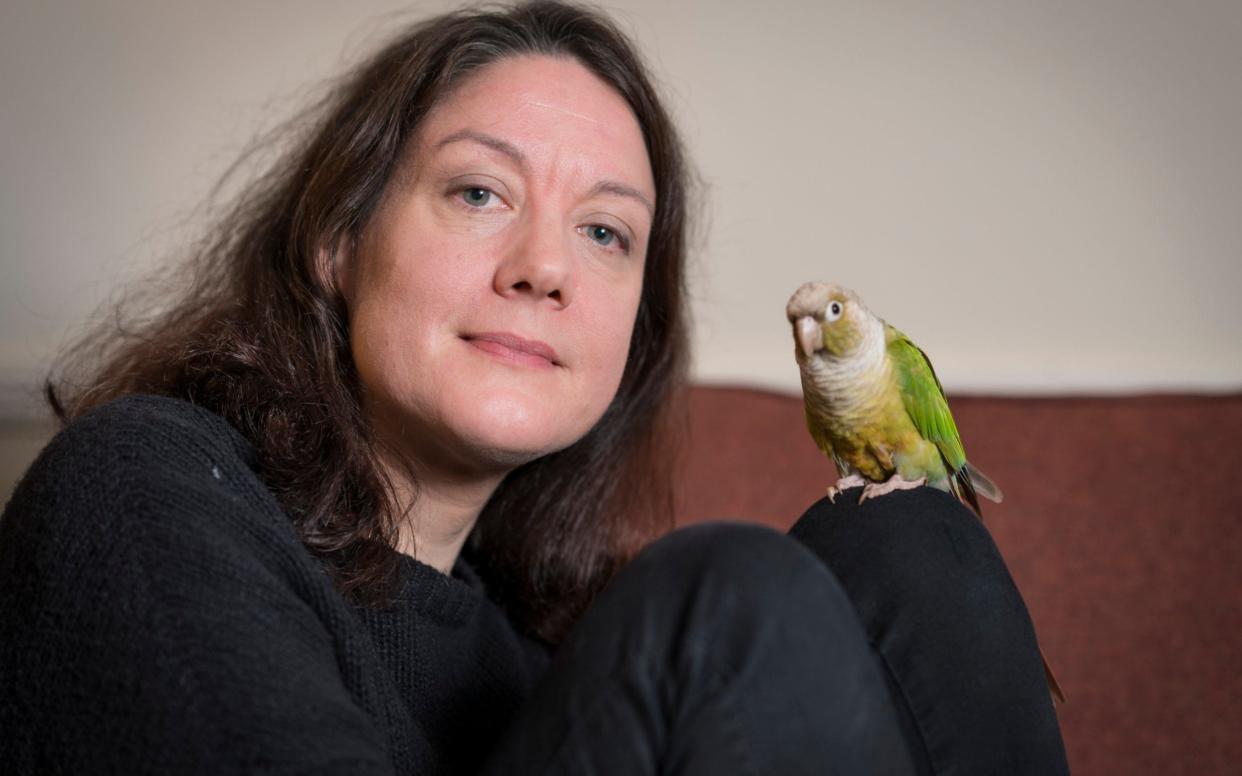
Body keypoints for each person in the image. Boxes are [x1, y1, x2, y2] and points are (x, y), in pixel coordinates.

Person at [0, 2, 1068, 773]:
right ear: (336, 238)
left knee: (912, 543)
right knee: (730, 599)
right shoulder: (144, 489)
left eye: (605, 232)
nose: (544, 267)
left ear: (634, 331)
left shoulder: (553, 649)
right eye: (477, 191)